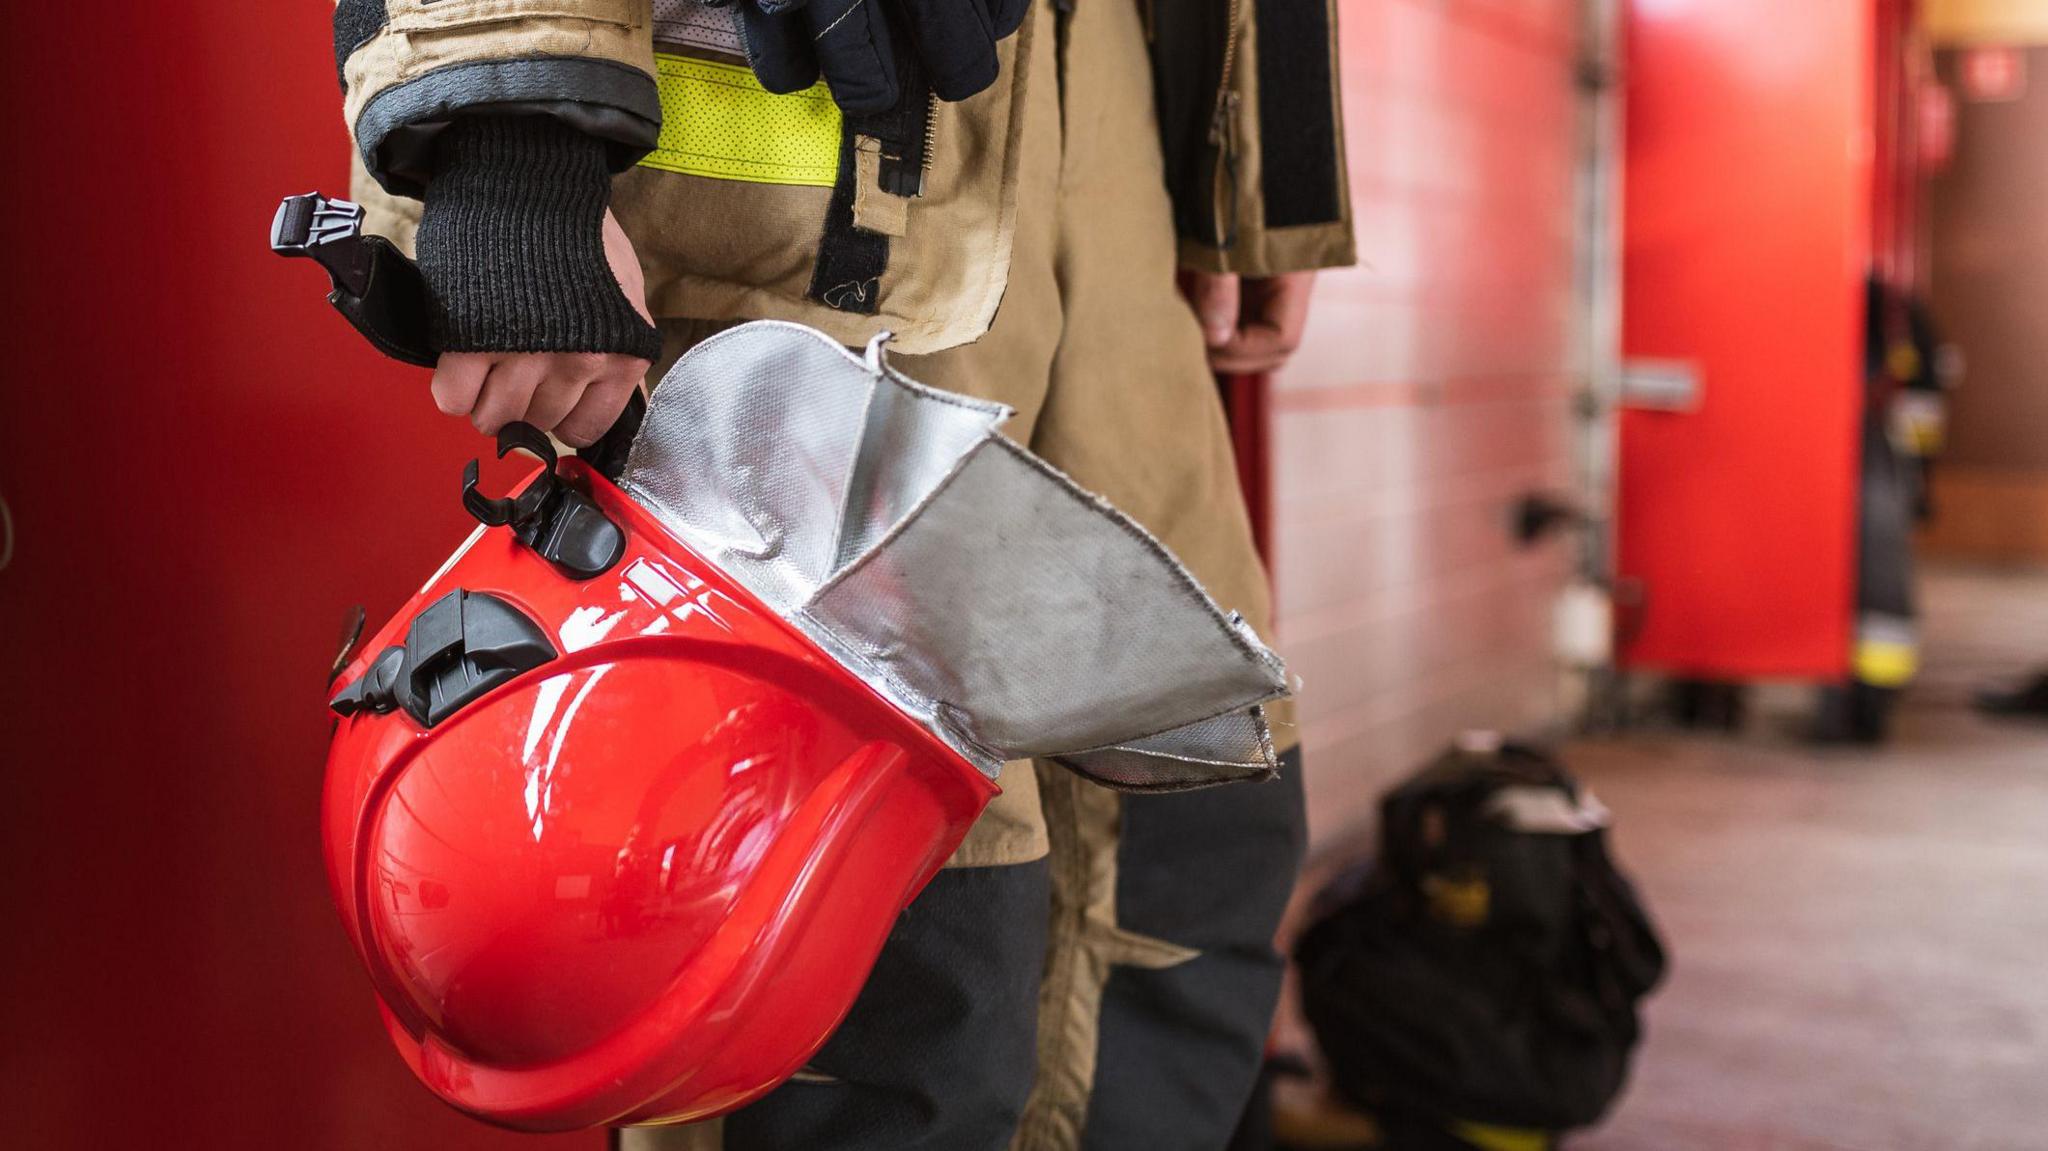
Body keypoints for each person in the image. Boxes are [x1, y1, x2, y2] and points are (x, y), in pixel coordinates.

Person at [331, 0, 1354, 1146]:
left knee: (1180, 874)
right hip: (801, 182)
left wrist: (1263, 161)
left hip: (1102, 124)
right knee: (871, 982)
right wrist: (507, 129)